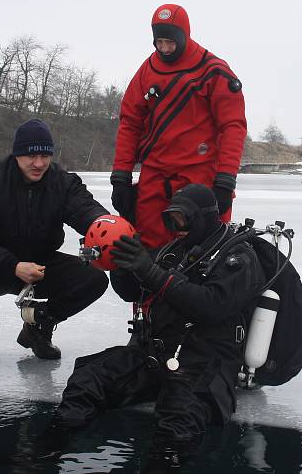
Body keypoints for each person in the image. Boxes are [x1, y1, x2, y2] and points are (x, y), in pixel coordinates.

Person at [50, 184, 265, 443]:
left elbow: (212, 307)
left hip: (204, 361)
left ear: (205, 217)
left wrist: (150, 272)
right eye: (172, 220)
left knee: (179, 420)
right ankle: (50, 446)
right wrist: (122, 266)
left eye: (183, 219)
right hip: (155, 353)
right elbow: (131, 292)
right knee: (88, 380)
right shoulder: (175, 251)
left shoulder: (237, 258)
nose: (178, 227)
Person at [0, 118, 110, 366]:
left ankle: (39, 326)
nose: (39, 164)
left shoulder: (62, 182)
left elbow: (86, 211)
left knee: (94, 279)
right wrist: (13, 266)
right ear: (16, 154)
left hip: (42, 265)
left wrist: (106, 226)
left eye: (45, 156)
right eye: (30, 156)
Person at [110, 3, 247, 248]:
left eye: (170, 42)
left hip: (199, 175)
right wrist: (121, 175)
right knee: (149, 248)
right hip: (155, 175)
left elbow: (233, 126)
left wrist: (226, 180)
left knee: (202, 249)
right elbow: (130, 122)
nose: (164, 48)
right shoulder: (147, 70)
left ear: (185, 36)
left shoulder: (213, 71)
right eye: (159, 42)